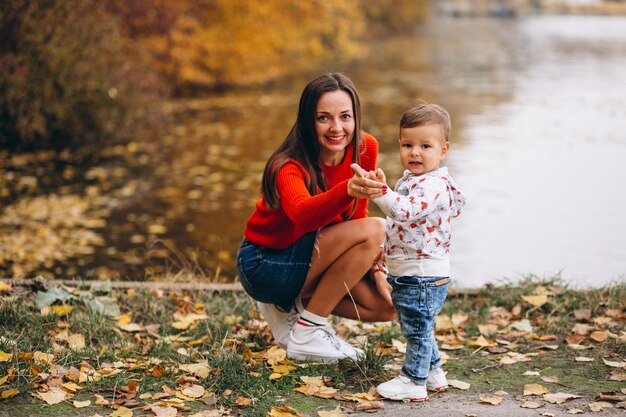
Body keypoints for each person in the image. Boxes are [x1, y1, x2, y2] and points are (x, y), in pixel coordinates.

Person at [236, 73, 396, 363]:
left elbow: (356, 217)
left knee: (385, 306)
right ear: (308, 120)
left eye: (345, 117)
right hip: (265, 264)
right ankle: (309, 330)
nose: (337, 128)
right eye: (324, 118)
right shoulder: (287, 165)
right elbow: (303, 215)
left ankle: (300, 309)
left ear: (355, 116)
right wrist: (346, 189)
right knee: (378, 228)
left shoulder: (365, 148)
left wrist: (376, 271)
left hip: (313, 255)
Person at [356, 103, 465, 401]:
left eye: (425, 146)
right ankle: (433, 372)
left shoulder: (433, 186)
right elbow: (401, 226)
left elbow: (405, 211)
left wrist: (381, 192)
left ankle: (413, 380)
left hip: (423, 276)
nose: (414, 152)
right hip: (412, 271)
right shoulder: (413, 180)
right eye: (408, 144)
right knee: (419, 325)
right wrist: (385, 250)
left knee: (416, 329)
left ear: (443, 150)